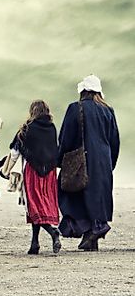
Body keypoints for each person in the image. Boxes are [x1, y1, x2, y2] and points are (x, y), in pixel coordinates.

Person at [57, 75, 120, 251]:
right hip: (103, 161)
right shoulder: (108, 110)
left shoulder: (75, 108)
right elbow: (114, 140)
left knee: (72, 194)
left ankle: (93, 230)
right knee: (97, 197)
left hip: (82, 161)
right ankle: (92, 236)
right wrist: (110, 163)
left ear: (83, 91)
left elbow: (65, 138)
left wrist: (60, 158)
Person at [5, 100, 61, 254]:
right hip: (49, 172)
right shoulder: (52, 128)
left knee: (34, 206)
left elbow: (15, 149)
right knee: (43, 204)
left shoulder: (27, 128)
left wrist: (7, 170)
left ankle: (53, 232)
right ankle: (34, 243)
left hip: (33, 171)